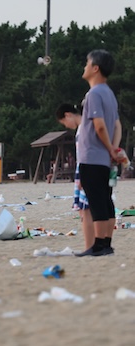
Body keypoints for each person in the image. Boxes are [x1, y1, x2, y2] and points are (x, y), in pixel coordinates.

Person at [75, 49, 122, 256]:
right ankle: (107, 244)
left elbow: (100, 126)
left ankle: (99, 245)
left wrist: (109, 148)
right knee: (105, 199)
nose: (84, 67)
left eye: (87, 63)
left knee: (96, 201)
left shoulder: (93, 94)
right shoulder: (109, 93)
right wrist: (114, 148)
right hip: (104, 159)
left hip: (92, 155)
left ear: (95, 68)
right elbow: (117, 126)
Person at [56, 104, 94, 251]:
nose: (67, 126)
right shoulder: (84, 127)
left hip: (86, 167)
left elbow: (86, 152)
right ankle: (91, 245)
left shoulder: (84, 127)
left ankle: (89, 246)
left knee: (86, 210)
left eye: (64, 122)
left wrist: (83, 176)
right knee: (83, 210)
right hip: (84, 167)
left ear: (68, 115)